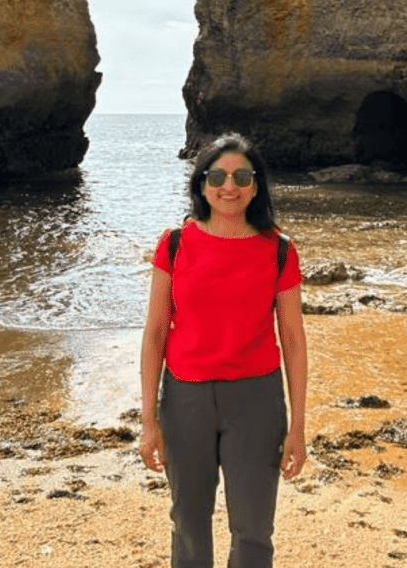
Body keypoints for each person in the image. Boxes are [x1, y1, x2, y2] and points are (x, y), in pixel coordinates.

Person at [139, 132, 308, 568]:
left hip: (257, 401)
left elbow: (292, 339)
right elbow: (156, 332)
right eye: (217, 175)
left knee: (254, 531)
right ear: (201, 184)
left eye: (241, 176)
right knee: (189, 525)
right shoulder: (174, 244)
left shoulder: (280, 250)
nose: (229, 186)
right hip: (184, 400)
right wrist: (148, 421)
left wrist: (299, 427)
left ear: (256, 185)